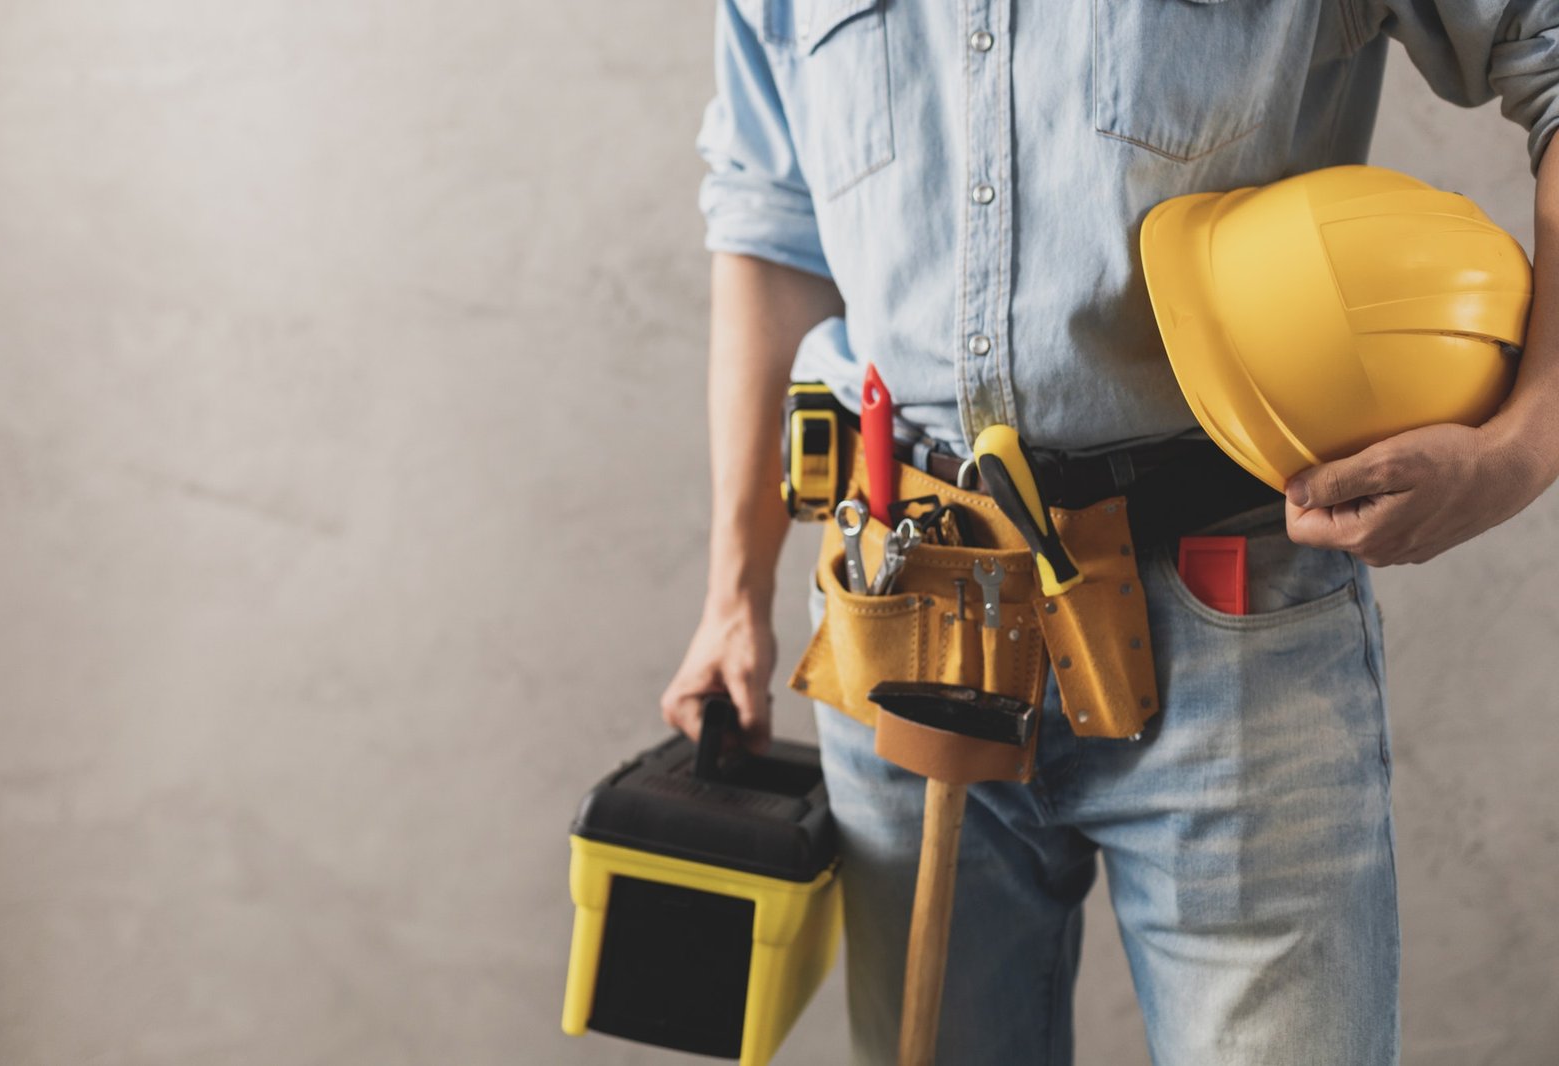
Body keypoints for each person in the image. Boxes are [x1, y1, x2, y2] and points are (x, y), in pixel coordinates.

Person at [660, 2, 1559, 1063]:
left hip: (1229, 625)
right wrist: (733, 591)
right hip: (902, 625)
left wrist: (1524, 445)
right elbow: (771, 225)